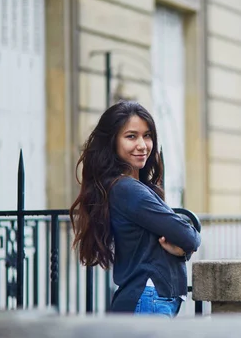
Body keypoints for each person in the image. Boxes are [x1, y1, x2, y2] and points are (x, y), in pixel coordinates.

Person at [70, 100, 201, 317]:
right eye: (131, 136)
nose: (142, 145)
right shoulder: (126, 189)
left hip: (148, 299)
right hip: (147, 298)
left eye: (147, 135)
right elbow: (189, 235)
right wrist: (186, 245)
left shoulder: (130, 187)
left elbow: (178, 237)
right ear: (112, 142)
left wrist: (183, 248)